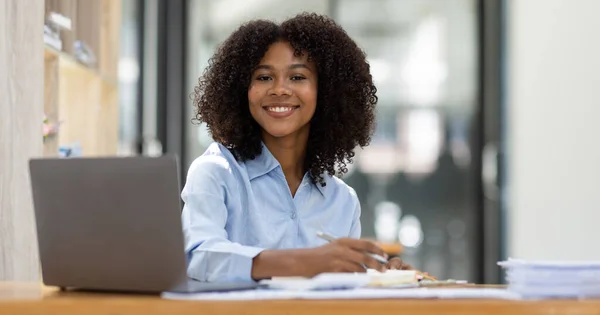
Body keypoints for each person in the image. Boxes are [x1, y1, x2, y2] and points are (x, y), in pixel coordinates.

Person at [182, 12, 411, 283]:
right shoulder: (215, 173)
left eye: (298, 77)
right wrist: (308, 262)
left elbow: (340, 291)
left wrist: (377, 275)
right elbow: (198, 256)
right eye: (264, 77)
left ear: (325, 92)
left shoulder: (342, 202)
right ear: (242, 89)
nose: (280, 89)